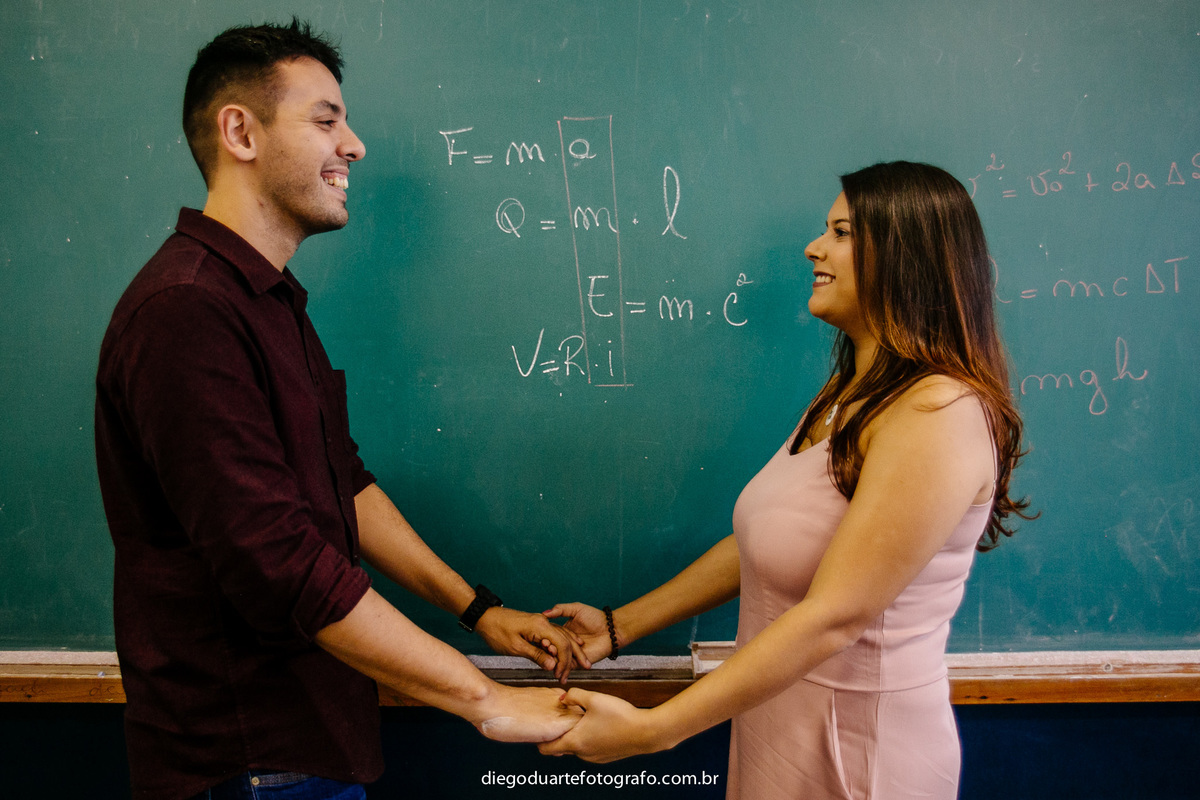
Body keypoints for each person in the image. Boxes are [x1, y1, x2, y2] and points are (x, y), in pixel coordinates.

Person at [94, 20, 585, 800]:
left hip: (309, 744)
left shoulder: (266, 300)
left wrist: (477, 610)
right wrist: (486, 701)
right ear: (240, 133)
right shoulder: (186, 311)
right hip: (248, 756)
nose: (353, 146)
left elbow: (340, 483)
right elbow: (279, 563)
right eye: (326, 121)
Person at [539, 161, 1033, 799]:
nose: (813, 247)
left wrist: (653, 731)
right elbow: (770, 542)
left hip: (859, 749)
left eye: (842, 232)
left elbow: (834, 616)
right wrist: (618, 627)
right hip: (781, 721)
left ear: (906, 257)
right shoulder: (847, 397)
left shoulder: (937, 413)